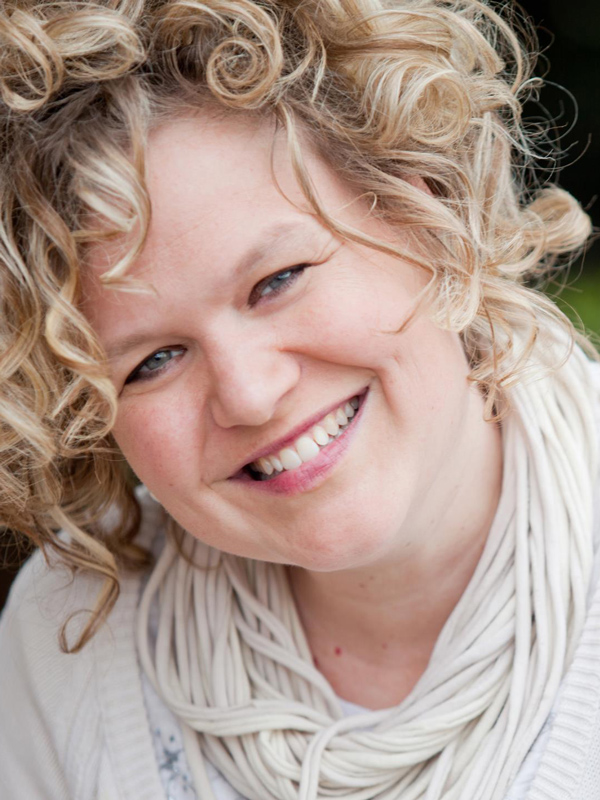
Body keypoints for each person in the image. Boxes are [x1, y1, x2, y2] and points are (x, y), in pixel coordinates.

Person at [0, 1, 598, 798]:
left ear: (423, 206)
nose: (249, 394)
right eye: (153, 361)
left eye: (277, 280)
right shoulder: (66, 641)